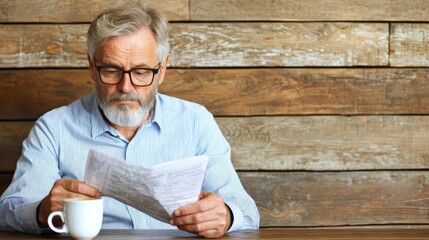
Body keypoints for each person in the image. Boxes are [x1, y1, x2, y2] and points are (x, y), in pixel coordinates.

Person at [0, 0, 259, 238]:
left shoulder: (196, 122)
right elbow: (6, 213)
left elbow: (247, 212)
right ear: (92, 67)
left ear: (163, 69)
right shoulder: (53, 129)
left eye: (141, 71)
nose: (126, 86)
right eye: (111, 70)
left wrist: (225, 216)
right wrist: (42, 211)